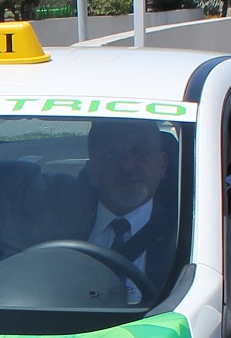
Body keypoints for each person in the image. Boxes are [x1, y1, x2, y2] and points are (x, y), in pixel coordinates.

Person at [76, 118, 179, 297]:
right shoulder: (52, 230)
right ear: (91, 171)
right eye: (111, 154)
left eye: (139, 152)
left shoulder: (192, 237)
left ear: (162, 165)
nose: (127, 165)